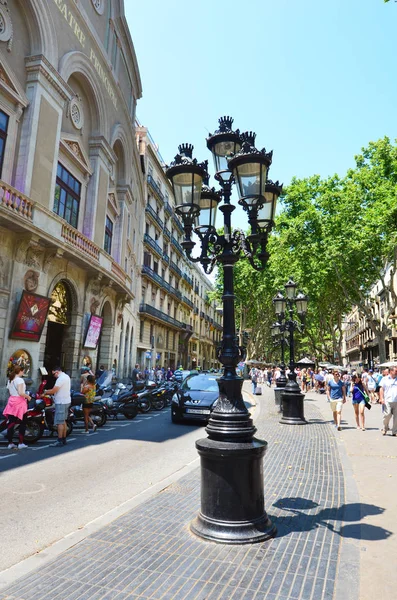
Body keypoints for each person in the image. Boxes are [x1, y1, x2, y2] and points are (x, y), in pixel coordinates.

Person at [3, 365, 30, 449]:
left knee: (11, 423)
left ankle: (10, 443)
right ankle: (21, 443)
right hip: (20, 403)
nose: (23, 373)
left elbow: (10, 391)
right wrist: (28, 397)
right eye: (23, 371)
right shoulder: (20, 380)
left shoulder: (10, 380)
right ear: (20, 371)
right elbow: (21, 393)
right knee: (23, 423)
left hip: (11, 402)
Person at [44, 367, 71, 447]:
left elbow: (53, 390)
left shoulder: (60, 379)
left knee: (59, 422)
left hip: (61, 402)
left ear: (57, 372)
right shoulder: (66, 376)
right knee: (63, 421)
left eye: (53, 374)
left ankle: (59, 440)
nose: (54, 376)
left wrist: (45, 392)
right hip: (66, 401)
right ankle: (64, 438)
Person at [379, 365, 397, 436]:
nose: (396, 372)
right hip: (387, 400)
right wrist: (381, 398)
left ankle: (395, 431)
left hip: (396, 400)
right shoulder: (385, 379)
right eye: (396, 371)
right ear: (391, 371)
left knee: (396, 417)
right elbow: (381, 389)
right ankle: (385, 427)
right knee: (387, 415)